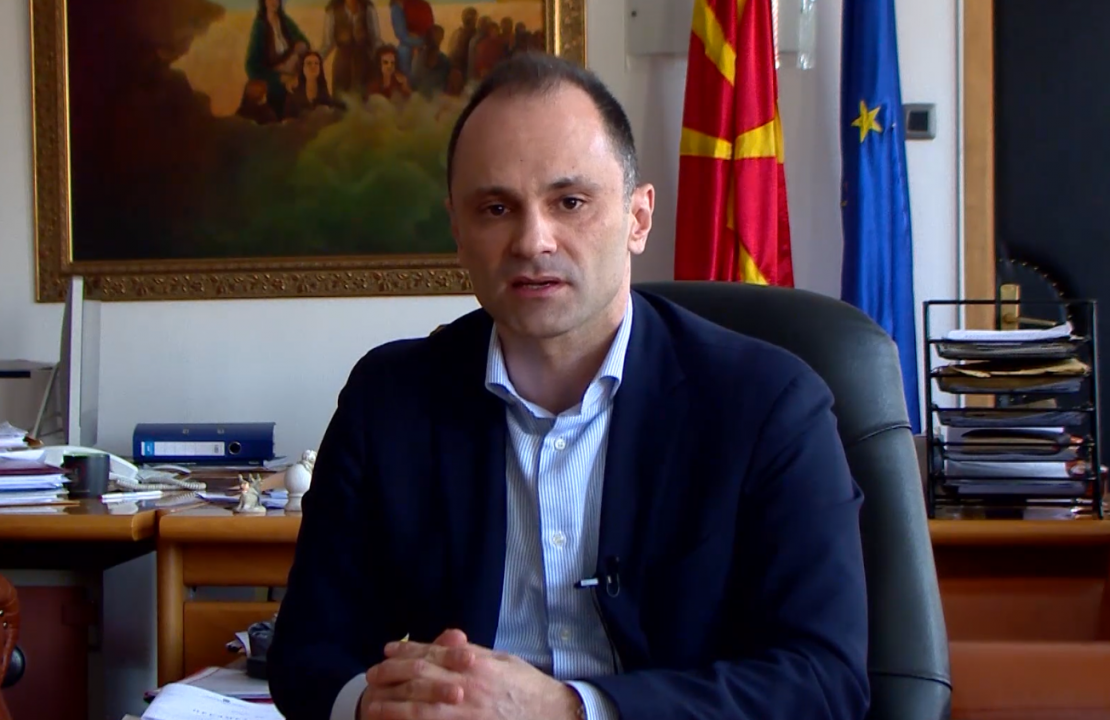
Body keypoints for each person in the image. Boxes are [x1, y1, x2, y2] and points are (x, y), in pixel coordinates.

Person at [267, 53, 869, 720]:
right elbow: (307, 654)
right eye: (496, 208)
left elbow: (823, 680)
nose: (533, 241)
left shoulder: (769, 404)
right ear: (458, 232)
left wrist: (571, 710)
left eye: (570, 202)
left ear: (638, 218)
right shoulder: (388, 399)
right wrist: (374, 706)